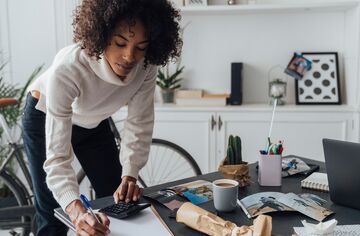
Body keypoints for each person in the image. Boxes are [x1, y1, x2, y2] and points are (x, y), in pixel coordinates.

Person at [21, 0, 182, 235]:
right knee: (54, 211)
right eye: (120, 43)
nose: (129, 56)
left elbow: (140, 122)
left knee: (117, 199)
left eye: (141, 47)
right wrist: (77, 211)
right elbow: (57, 160)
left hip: (93, 122)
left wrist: (130, 173)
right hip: (43, 114)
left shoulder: (146, 66)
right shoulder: (68, 69)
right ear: (102, 34)